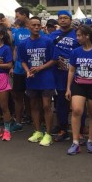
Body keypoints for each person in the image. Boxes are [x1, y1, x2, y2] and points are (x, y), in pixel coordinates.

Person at [65, 25, 92, 155]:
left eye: (79, 35)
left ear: (86, 36)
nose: (77, 38)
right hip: (79, 84)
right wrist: (68, 88)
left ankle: (90, 140)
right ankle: (75, 142)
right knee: (76, 111)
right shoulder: (75, 52)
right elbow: (71, 71)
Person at [18, 17, 56, 147]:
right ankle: (38, 131)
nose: (36, 27)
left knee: (46, 106)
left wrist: (40, 68)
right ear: (28, 26)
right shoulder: (23, 44)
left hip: (46, 78)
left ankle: (48, 133)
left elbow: (53, 59)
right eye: (33, 25)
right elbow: (22, 60)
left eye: (38, 25)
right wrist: (27, 70)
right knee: (33, 105)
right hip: (32, 79)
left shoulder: (48, 41)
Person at [50, 10, 80, 142]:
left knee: (77, 103)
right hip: (58, 73)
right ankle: (62, 128)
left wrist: (72, 63)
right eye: (60, 18)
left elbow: (84, 50)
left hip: (75, 73)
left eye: (65, 18)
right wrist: (56, 60)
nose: (63, 20)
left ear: (71, 19)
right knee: (60, 101)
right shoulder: (53, 35)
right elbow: (49, 51)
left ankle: (79, 129)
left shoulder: (77, 34)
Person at [10, 7, 33, 132]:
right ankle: (18, 122)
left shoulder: (36, 29)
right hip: (19, 69)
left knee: (33, 96)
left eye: (18, 15)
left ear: (25, 15)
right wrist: (13, 66)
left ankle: (36, 120)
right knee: (18, 96)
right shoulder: (17, 31)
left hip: (33, 69)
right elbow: (14, 48)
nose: (16, 18)